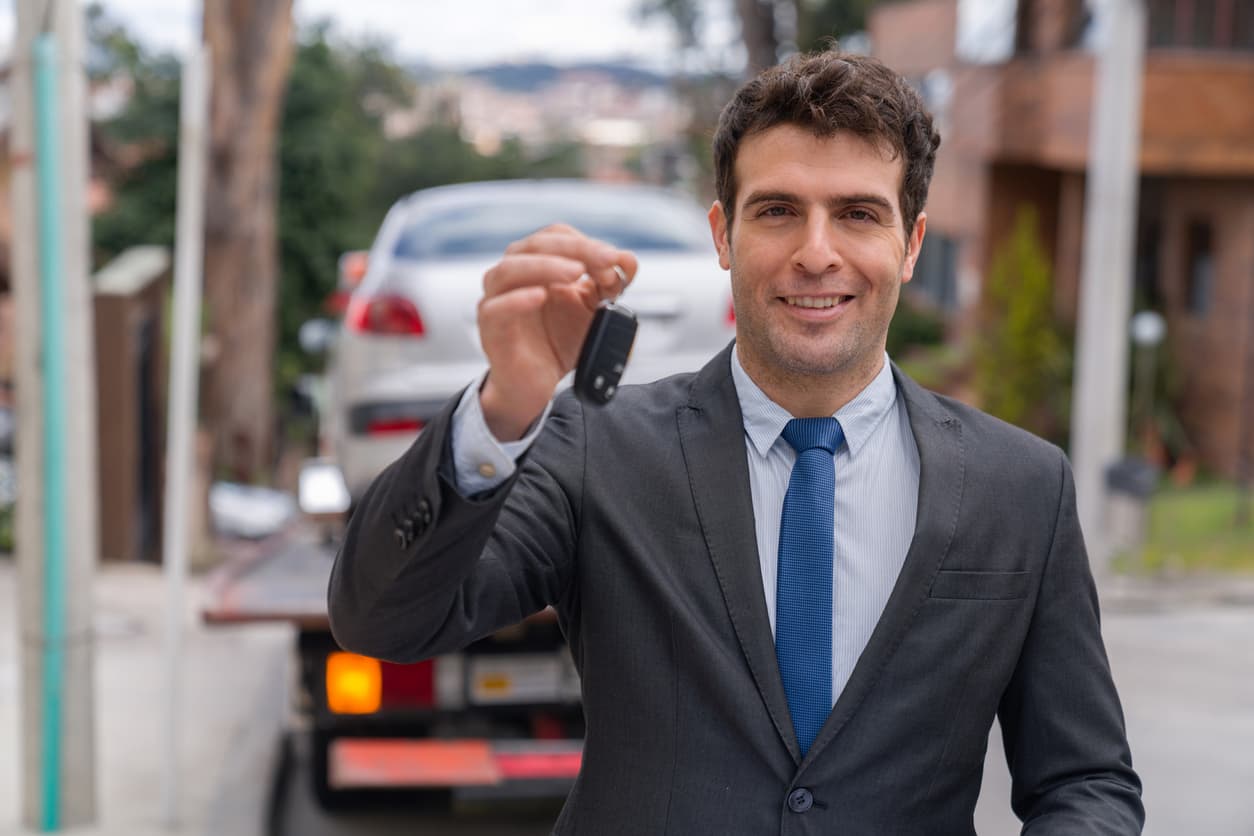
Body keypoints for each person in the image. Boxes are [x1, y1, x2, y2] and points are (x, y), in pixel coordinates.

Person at [328, 50, 1144, 834]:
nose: (816, 253)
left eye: (858, 214)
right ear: (723, 234)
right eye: (778, 210)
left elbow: (1084, 781)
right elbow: (382, 622)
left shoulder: (1022, 486)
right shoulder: (594, 446)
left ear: (911, 244)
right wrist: (505, 406)